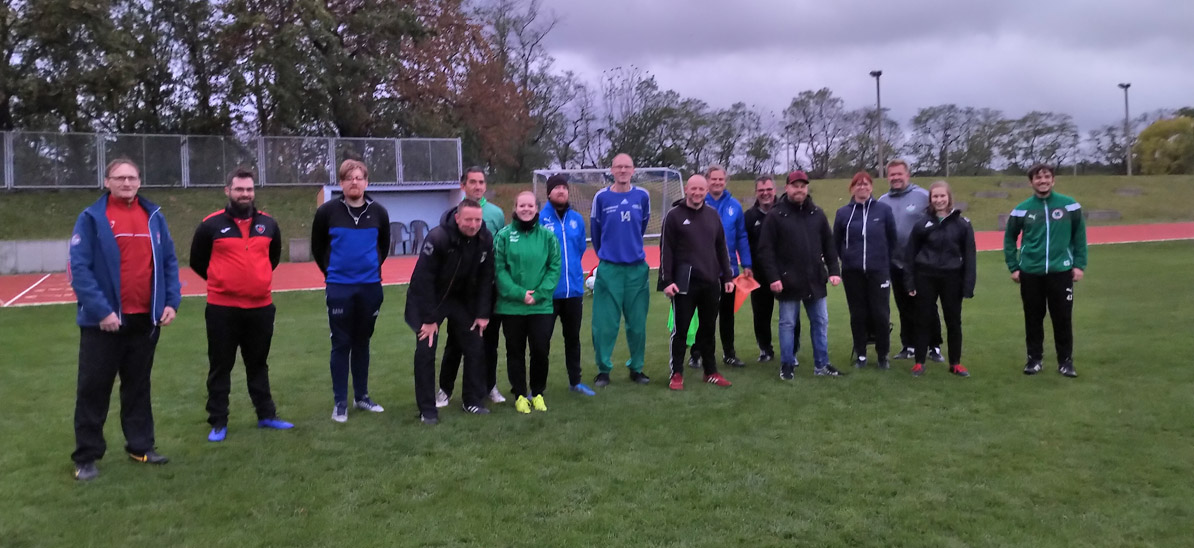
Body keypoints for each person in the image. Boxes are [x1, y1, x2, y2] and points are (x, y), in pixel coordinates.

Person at [68, 158, 181, 481]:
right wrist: (102, 311)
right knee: (93, 390)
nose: (126, 183)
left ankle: (140, 446)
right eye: (119, 178)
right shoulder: (92, 218)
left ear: (139, 182)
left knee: (138, 387)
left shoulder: (153, 216)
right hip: (103, 323)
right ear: (107, 182)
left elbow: (169, 262)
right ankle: (86, 457)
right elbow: (79, 269)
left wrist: (171, 301)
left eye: (132, 177)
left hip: (144, 321)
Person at [189, 166, 293, 442]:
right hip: (222, 309)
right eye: (239, 189)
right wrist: (222, 281)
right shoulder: (210, 225)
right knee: (220, 366)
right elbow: (197, 261)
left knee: (258, 363)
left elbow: (272, 258)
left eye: (249, 189)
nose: (245, 194)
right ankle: (218, 421)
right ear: (228, 191)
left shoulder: (268, 224)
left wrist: (256, 280)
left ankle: (266, 415)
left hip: (260, 308)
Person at [311, 159, 391, 423]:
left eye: (359, 178)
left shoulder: (378, 212)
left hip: (370, 287)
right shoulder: (327, 212)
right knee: (341, 343)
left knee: (362, 342)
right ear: (341, 183)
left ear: (366, 182)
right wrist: (332, 275)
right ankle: (340, 403)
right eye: (349, 178)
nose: (354, 182)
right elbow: (318, 246)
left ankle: (362, 397)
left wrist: (370, 269)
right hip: (339, 288)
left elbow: (384, 246)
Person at [406, 199, 495, 423]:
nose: (473, 225)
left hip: (461, 301)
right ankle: (427, 410)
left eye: (477, 220)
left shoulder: (485, 239)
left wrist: (482, 313)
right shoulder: (438, 237)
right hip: (431, 300)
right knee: (426, 351)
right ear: (457, 218)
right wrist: (429, 319)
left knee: (475, 345)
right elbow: (423, 280)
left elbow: (486, 277)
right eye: (468, 220)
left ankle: (472, 401)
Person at [755, 170, 842, 380]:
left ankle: (822, 364)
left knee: (820, 322)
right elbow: (766, 251)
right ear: (787, 188)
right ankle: (787, 365)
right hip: (787, 281)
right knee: (787, 324)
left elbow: (829, 245)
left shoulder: (817, 214)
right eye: (795, 186)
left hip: (815, 279)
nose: (799, 190)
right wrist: (774, 277)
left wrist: (834, 270)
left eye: (802, 186)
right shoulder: (776, 215)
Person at [1003, 164, 1087, 378]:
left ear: (1053, 180)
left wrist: (1079, 265)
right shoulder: (1022, 209)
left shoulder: (1069, 206)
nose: (1043, 181)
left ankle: (1065, 362)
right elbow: (1009, 238)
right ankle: (1034, 360)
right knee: (1033, 318)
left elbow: (1079, 236)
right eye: (1038, 178)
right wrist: (1014, 266)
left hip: (1061, 271)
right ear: (1031, 182)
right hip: (1031, 272)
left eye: (1047, 177)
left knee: (1062, 318)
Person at [437, 167, 507, 407]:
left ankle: (489, 386)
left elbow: (499, 249)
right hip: (460, 292)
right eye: (473, 182)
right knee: (455, 343)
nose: (478, 186)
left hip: (488, 289)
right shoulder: (452, 214)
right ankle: (445, 389)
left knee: (490, 342)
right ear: (463, 185)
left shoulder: (496, 213)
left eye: (481, 182)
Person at [658, 175, 735, 390]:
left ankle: (710, 372)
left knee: (708, 329)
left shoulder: (712, 215)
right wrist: (667, 280)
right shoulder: (674, 216)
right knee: (681, 330)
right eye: (694, 189)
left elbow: (721, 248)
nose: (697, 193)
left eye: (701, 189)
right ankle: (676, 373)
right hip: (684, 283)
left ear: (706, 191)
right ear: (687, 189)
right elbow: (666, 250)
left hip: (710, 281)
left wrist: (727, 277)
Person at [589, 153, 653, 387]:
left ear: (633, 170)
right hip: (610, 270)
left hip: (636, 270)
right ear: (612, 170)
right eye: (619, 167)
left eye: (627, 166)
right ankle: (603, 370)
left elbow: (642, 226)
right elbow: (596, 231)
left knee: (637, 325)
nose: (623, 170)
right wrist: (608, 255)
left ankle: (636, 368)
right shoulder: (601, 197)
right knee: (604, 325)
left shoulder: (642, 196)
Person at [495, 192, 562, 412]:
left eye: (530, 205)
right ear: (515, 208)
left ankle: (538, 393)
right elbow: (499, 270)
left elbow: (554, 268)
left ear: (536, 208)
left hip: (540, 306)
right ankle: (520, 395)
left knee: (540, 350)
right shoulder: (503, 236)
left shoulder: (548, 237)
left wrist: (539, 294)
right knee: (515, 352)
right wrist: (520, 294)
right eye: (521, 205)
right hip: (512, 307)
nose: (526, 209)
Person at [903, 181, 976, 378]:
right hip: (925, 277)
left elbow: (970, 257)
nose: (939, 200)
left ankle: (955, 363)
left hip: (952, 278)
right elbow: (910, 255)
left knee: (953, 321)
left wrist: (968, 285)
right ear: (930, 199)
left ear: (949, 197)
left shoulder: (963, 224)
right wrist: (909, 282)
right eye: (935, 196)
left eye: (942, 196)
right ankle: (919, 363)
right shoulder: (922, 224)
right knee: (923, 320)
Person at [878, 159, 943, 363]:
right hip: (895, 263)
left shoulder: (923, 196)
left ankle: (934, 346)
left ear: (907, 175)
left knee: (927, 305)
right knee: (903, 305)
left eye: (899, 174)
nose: (896, 178)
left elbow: (938, 224)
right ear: (888, 177)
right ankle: (909, 345)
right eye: (892, 174)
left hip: (920, 263)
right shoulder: (882, 201)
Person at [538, 174, 596, 396]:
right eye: (556, 188)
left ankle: (575, 382)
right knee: (541, 342)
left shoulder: (577, 219)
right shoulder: (540, 219)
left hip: (574, 292)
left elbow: (579, 249)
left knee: (573, 340)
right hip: (548, 293)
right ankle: (538, 387)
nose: (561, 191)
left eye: (564, 187)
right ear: (549, 193)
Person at [834, 171, 897, 370]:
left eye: (866, 184)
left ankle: (882, 354)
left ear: (871, 187)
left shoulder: (883, 210)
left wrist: (884, 263)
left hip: (878, 271)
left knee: (880, 314)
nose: (862, 187)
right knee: (858, 314)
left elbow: (892, 240)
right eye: (858, 184)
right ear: (852, 188)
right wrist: (848, 260)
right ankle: (860, 354)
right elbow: (836, 242)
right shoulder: (843, 213)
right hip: (852, 273)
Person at [703, 165, 752, 368]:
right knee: (704, 315)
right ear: (707, 180)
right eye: (713, 179)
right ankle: (698, 353)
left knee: (727, 315)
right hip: (703, 270)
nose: (717, 182)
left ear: (726, 181)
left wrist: (746, 263)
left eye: (720, 179)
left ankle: (729, 354)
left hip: (728, 271)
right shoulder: (699, 202)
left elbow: (741, 236)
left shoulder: (735, 206)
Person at [743, 175, 778, 363]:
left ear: (775, 191)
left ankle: (791, 350)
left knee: (790, 314)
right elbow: (744, 243)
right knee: (761, 314)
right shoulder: (749, 216)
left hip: (783, 272)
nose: (765, 193)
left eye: (769, 189)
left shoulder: (784, 211)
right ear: (756, 192)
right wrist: (747, 266)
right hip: (758, 273)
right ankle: (765, 349)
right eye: (761, 190)